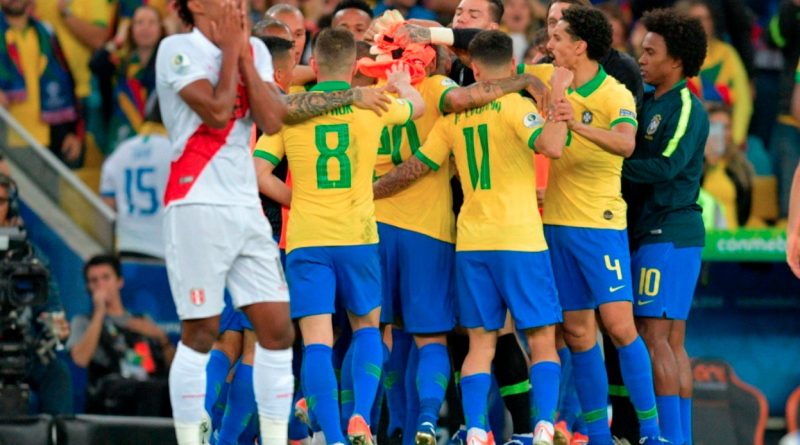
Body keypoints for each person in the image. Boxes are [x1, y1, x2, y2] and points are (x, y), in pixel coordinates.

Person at [373, 29, 571, 445]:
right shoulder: (518, 107)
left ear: (475, 69)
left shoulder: (453, 118)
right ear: (513, 68)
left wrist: (370, 190)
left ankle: (477, 428)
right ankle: (543, 426)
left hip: (472, 243)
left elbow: (416, 168)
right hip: (519, 240)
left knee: (480, 343)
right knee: (540, 339)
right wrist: (557, 104)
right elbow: (552, 146)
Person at [254, 28, 424, 445]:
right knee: (367, 327)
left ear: (312, 67)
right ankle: (361, 419)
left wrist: (294, 197)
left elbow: (256, 171)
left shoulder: (291, 112)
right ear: (353, 68)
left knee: (316, 341)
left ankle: (330, 436)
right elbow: (417, 108)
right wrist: (401, 86)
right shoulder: (372, 105)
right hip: (358, 235)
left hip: (307, 238)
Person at [155, 0, 294, 443]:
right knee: (201, 332)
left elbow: (273, 120)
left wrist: (246, 55)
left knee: (277, 330)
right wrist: (234, 50)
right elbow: (216, 113)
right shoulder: (177, 49)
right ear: (194, 4)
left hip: (244, 207)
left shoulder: (254, 47)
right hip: (196, 201)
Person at [538, 6, 665, 445]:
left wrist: (577, 124)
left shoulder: (615, 94)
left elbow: (627, 145)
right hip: (555, 223)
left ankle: (651, 432)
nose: (549, 44)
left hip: (600, 223)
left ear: (580, 46)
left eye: (558, 38)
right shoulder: (548, 80)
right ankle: (597, 435)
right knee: (575, 331)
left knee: (619, 326)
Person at [620, 9, 709, 445]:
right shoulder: (650, 102)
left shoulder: (687, 105)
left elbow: (670, 164)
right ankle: (679, 437)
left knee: (656, 337)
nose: (642, 58)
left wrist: (611, 165)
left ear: (675, 61)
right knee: (669, 341)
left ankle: (670, 438)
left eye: (651, 52)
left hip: (670, 233)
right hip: (655, 232)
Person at [0, 174, 73, 415]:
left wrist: (55, 323)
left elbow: (49, 304)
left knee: (57, 375)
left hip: (20, 345)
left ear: (10, 208)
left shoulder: (31, 255)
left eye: (0, 202)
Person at [67, 254, 175, 416]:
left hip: (151, 387)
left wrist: (161, 337)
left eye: (105, 278)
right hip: (111, 393)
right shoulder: (83, 321)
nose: (100, 285)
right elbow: (80, 359)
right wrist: (99, 313)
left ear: (119, 281)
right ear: (88, 287)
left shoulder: (142, 320)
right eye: (94, 281)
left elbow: (172, 367)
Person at [0, 0, 81, 164]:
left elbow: (65, 82)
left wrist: (70, 132)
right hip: (5, 143)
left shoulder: (46, 33)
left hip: (46, 142)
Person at [99, 99, 171, 259]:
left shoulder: (119, 153)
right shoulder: (176, 151)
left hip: (126, 246)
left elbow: (107, 206)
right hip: (164, 248)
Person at [90, 5, 164, 150]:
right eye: (139, 23)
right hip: (122, 139)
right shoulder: (122, 65)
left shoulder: (167, 64)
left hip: (157, 142)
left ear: (161, 28)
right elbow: (96, 64)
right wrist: (117, 41)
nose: (145, 28)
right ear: (130, 29)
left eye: (151, 23)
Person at [679, 0, 751, 148]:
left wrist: (735, 140)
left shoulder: (727, 54)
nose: (704, 23)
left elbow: (744, 100)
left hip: (722, 137)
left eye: (707, 18)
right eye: (698, 19)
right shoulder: (675, 56)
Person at [701, 103, 754, 229]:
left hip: (731, 239)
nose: (720, 133)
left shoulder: (741, 167)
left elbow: (744, 212)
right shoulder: (691, 164)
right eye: (714, 126)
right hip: (701, 235)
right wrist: (704, 160)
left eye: (726, 127)